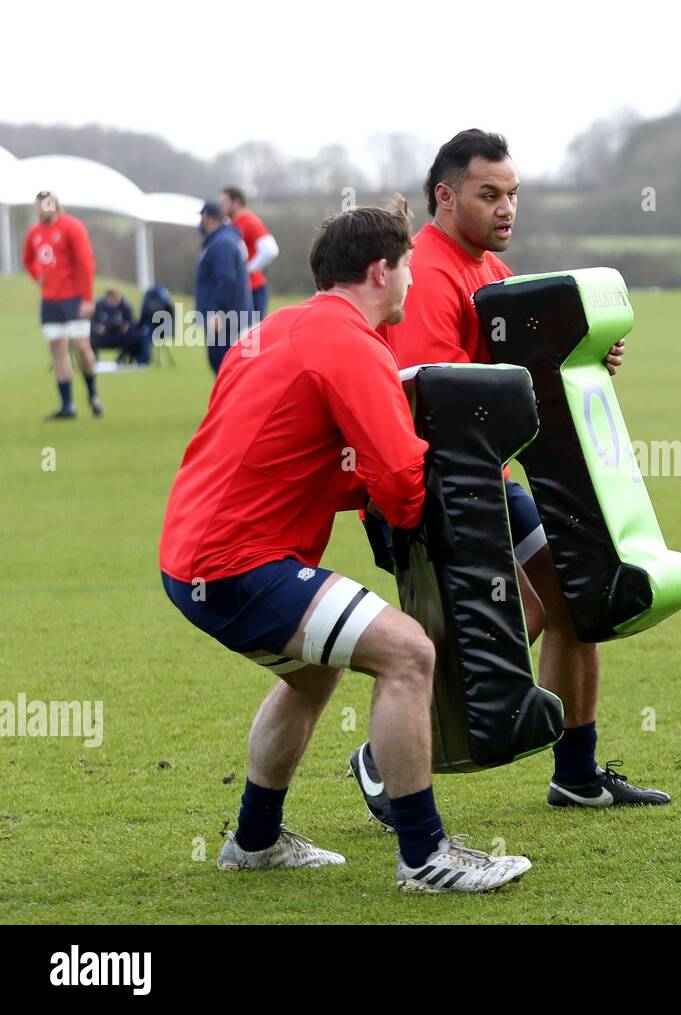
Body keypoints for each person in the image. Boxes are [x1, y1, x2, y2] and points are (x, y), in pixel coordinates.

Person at [159, 197, 532, 893]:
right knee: (409, 651)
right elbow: (399, 474)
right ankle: (425, 855)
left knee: (312, 671)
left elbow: (284, 452)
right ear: (378, 270)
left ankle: (255, 838)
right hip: (238, 562)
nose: (413, 282)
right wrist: (426, 512)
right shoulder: (350, 342)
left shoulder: (279, 329)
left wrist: (369, 486)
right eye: (408, 268)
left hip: (190, 558)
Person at [348, 129, 667, 824]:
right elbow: (435, 401)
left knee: (576, 598)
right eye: (489, 194)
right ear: (446, 195)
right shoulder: (427, 273)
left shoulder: (488, 272)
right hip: (433, 480)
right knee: (513, 611)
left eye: (513, 194)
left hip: (485, 474)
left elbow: (521, 373)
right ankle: (382, 756)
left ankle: (578, 775)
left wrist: (579, 359)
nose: (506, 208)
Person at [22, 191, 102, 419]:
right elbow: (27, 258)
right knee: (57, 349)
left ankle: (92, 393)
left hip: (74, 298)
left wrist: (87, 298)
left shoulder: (72, 227)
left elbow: (86, 262)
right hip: (50, 300)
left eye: (44, 205)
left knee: (80, 347)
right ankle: (68, 405)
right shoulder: (34, 233)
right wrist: (36, 274)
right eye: (37, 206)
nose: (40, 210)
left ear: (55, 205)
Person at [195, 201, 254, 375]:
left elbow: (226, 280)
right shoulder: (225, 240)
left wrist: (215, 312)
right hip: (229, 318)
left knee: (225, 369)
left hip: (226, 320)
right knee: (227, 370)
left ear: (209, 218)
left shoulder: (222, 243)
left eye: (202, 217)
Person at [220, 187, 279, 321]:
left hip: (252, 289)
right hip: (238, 290)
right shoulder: (230, 224)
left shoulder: (250, 221)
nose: (221, 206)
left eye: (224, 202)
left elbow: (271, 250)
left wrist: (248, 269)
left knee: (251, 337)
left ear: (236, 203)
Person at [90, 288, 139, 363]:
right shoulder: (98, 305)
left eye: (116, 299)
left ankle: (122, 358)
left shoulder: (125, 306)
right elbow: (92, 321)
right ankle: (94, 358)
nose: (114, 302)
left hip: (119, 334)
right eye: (112, 299)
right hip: (103, 335)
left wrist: (127, 325)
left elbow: (132, 321)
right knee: (90, 335)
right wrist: (97, 327)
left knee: (134, 335)